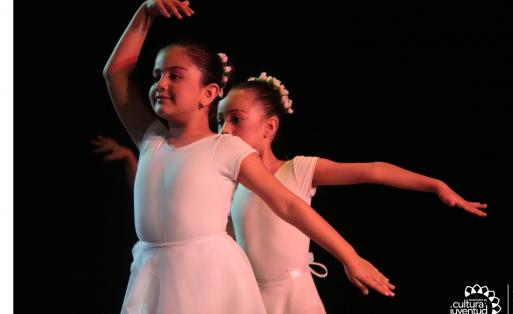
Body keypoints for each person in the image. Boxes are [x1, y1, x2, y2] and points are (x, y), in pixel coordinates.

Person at [103, 1, 395, 313]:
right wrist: (145, 12)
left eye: (176, 76)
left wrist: (349, 256)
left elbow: (287, 204)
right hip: (155, 275)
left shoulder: (225, 148)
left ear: (209, 93)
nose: (161, 83)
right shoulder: (150, 139)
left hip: (209, 278)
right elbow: (115, 74)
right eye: (157, 74)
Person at [217, 72, 488, 314]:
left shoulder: (297, 170)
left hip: (294, 299)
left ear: (269, 127)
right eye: (220, 121)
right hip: (250, 299)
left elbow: (374, 171)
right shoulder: (231, 184)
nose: (225, 129)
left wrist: (435, 184)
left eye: (236, 119)